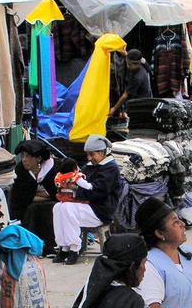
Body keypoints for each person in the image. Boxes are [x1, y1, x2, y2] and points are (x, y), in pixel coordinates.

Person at [52, 135, 121, 265]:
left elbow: (97, 192)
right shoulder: (89, 166)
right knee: (58, 207)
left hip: (100, 210)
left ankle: (74, 248)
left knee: (67, 208)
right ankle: (63, 246)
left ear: (102, 152)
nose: (89, 158)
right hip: (86, 205)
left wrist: (75, 189)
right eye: (88, 155)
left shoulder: (111, 168)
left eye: (92, 154)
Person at [9, 139, 62, 255]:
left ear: (38, 158)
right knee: (33, 209)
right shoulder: (21, 171)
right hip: (27, 208)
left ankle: (53, 245)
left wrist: (38, 195)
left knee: (52, 208)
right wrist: (44, 196)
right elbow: (21, 197)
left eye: (28, 156)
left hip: (54, 204)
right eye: (23, 156)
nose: (24, 159)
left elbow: (57, 193)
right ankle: (32, 245)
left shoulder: (55, 169)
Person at [109, 49, 153, 118]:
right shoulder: (142, 62)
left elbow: (125, 95)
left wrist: (114, 108)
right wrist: (126, 54)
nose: (127, 66)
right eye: (127, 63)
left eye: (130, 65)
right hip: (145, 98)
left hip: (140, 105)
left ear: (138, 64)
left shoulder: (137, 78)